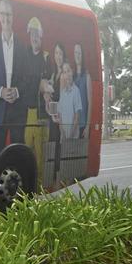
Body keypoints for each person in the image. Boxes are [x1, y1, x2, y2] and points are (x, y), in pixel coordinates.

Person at [0, 0, 29, 161]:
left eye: (8, 14)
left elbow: (28, 78)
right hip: (0, 109)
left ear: (13, 17)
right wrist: (1, 91)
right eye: (3, 13)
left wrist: (16, 91)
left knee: (19, 150)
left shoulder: (22, 46)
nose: (6, 17)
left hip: (18, 110)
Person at [23, 18, 50, 185]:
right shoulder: (24, 55)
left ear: (41, 37)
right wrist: (36, 84)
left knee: (40, 154)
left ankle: (39, 189)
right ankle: (28, 186)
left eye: (37, 35)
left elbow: (46, 85)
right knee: (26, 151)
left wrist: (39, 85)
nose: (34, 38)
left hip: (40, 113)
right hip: (25, 112)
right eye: (32, 34)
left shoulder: (45, 58)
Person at [55, 63, 82, 140]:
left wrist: (70, 135)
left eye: (68, 71)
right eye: (64, 72)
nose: (67, 74)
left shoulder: (76, 91)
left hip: (73, 137)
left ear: (72, 72)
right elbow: (60, 115)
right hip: (63, 137)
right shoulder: (62, 93)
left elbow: (77, 116)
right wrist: (62, 133)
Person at [47, 43, 66, 141]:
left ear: (63, 56)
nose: (58, 56)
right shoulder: (54, 74)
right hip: (53, 118)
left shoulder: (65, 74)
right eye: (56, 53)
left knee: (59, 150)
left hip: (61, 119)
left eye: (60, 54)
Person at [73, 44, 92, 139]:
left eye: (79, 53)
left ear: (82, 55)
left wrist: (88, 127)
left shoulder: (87, 76)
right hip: (71, 125)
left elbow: (90, 103)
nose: (77, 55)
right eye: (75, 52)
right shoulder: (71, 76)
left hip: (83, 125)